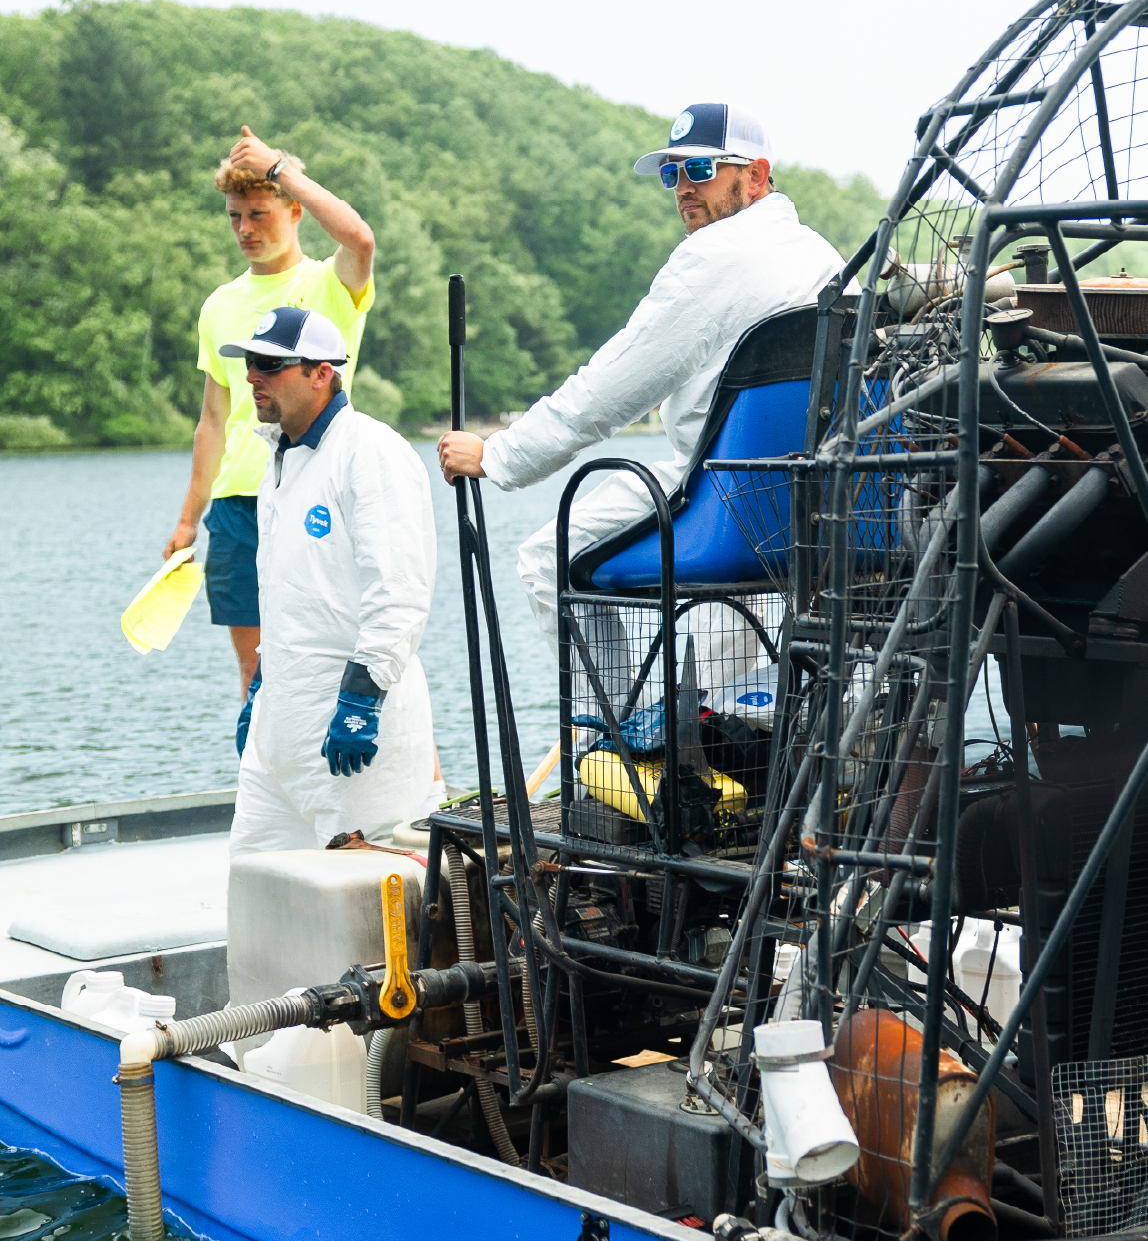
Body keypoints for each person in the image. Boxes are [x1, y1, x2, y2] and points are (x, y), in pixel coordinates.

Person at [436, 103, 850, 649]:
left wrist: (498, 456)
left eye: (700, 170)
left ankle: (613, 731)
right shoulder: (823, 256)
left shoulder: (711, 256)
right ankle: (713, 717)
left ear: (755, 174)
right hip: (819, 504)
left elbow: (609, 390)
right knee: (722, 633)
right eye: (671, 173)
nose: (683, 187)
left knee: (545, 561)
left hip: (717, 499)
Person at [164, 127, 376, 696]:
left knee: (349, 653)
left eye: (259, 214)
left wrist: (280, 166)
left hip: (314, 490)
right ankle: (263, 784)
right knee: (258, 671)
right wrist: (189, 518)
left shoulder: (328, 285)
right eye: (234, 216)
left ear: (295, 210)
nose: (245, 229)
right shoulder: (219, 305)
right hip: (236, 508)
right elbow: (214, 419)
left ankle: (415, 782)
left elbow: (359, 238)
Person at [225, 307, 436, 857]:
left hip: (355, 737)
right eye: (251, 362)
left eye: (270, 364)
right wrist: (260, 692)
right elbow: (290, 595)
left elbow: (399, 592)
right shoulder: (279, 456)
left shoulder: (371, 451)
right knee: (257, 887)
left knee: (369, 912)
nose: (253, 376)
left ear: (322, 372)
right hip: (279, 740)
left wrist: (362, 701)